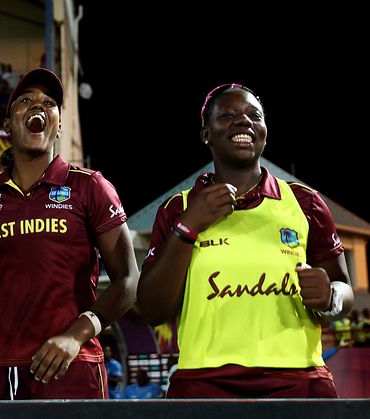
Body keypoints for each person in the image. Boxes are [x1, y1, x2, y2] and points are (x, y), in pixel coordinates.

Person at [0, 67, 139, 400]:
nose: (38, 105)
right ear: (7, 125)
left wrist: (75, 334)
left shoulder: (90, 186)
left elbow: (128, 280)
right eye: (25, 100)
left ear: (57, 124)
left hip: (70, 366)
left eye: (49, 102)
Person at [136, 83, 354, 398]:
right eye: (227, 115)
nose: (244, 122)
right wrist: (188, 228)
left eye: (254, 115)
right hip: (204, 384)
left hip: (298, 382)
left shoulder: (303, 202)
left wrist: (331, 297)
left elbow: (343, 289)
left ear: (264, 130)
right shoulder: (179, 209)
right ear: (206, 133)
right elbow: (153, 309)